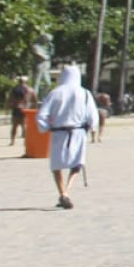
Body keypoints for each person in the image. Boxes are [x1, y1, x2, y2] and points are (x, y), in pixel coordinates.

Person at [35, 65, 99, 209]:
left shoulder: (55, 93)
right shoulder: (85, 94)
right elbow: (92, 115)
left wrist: (45, 127)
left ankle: (63, 192)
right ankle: (67, 191)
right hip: (78, 133)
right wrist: (91, 128)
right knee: (77, 164)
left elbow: (42, 114)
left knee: (56, 165)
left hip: (58, 133)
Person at [6, 76, 34, 147]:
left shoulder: (14, 89)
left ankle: (12, 141)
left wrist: (7, 108)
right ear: (26, 81)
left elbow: (10, 99)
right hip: (25, 109)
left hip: (16, 108)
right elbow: (34, 99)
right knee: (24, 126)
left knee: (14, 126)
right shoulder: (30, 89)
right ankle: (25, 142)